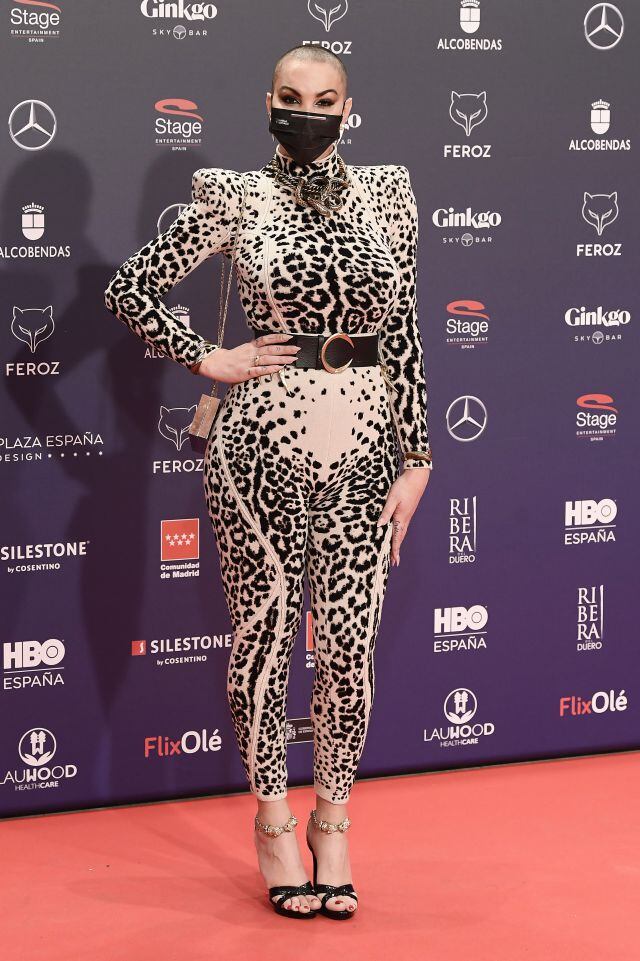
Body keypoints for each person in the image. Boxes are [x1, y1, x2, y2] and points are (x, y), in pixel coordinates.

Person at [103, 43, 433, 921]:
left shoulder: (390, 193)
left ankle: (334, 821)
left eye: (324, 100)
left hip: (366, 445)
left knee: (351, 648)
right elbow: (132, 290)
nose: (306, 112)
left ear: (347, 109)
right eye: (292, 96)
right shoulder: (233, 195)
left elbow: (403, 330)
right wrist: (208, 356)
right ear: (268, 102)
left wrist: (419, 457)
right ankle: (274, 821)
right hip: (259, 446)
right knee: (266, 638)